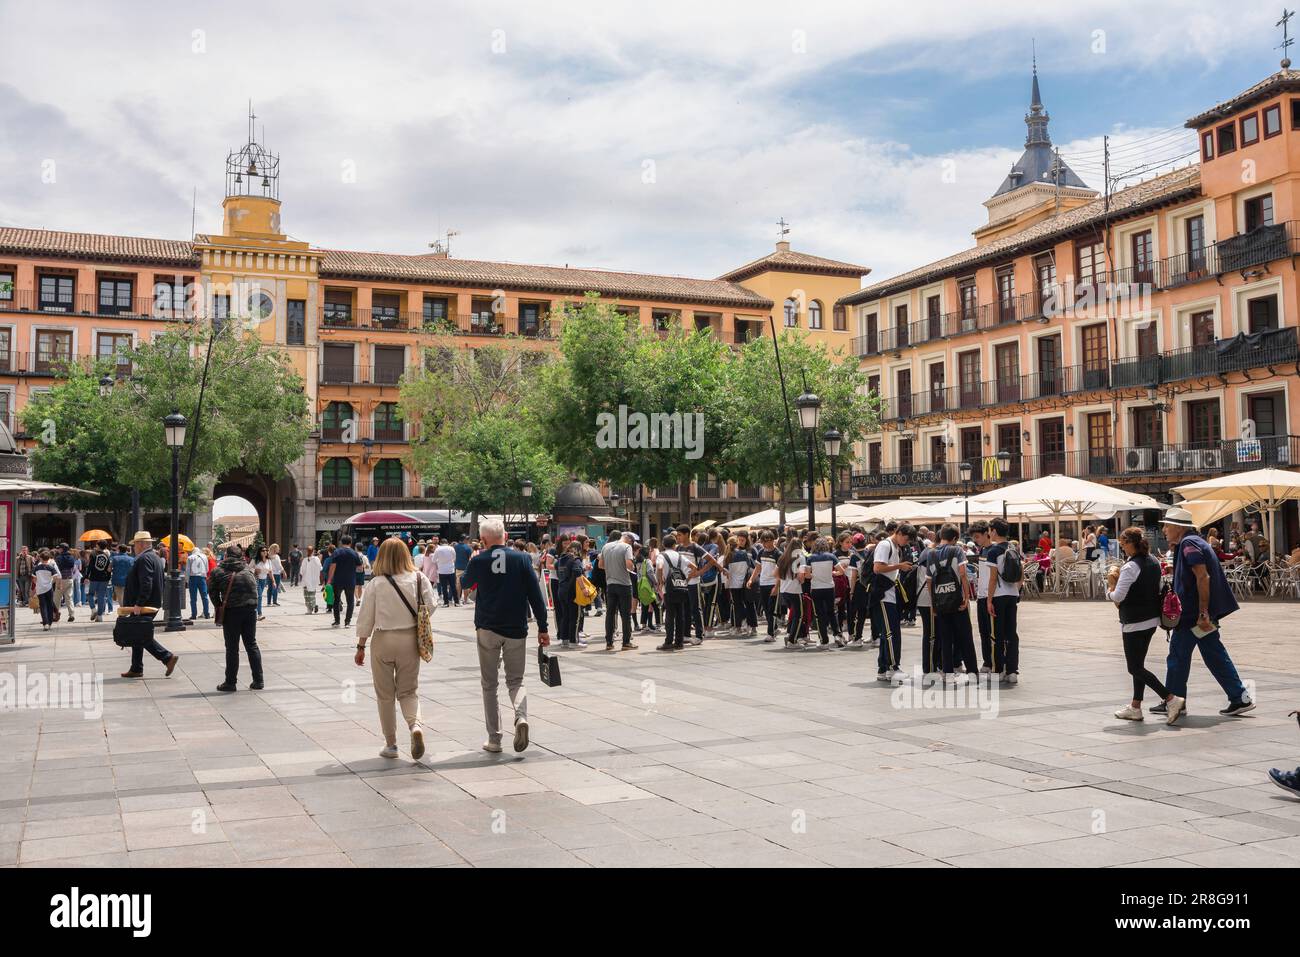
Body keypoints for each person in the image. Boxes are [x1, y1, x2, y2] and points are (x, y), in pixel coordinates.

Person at [460, 519, 548, 753]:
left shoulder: (479, 559)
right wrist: (543, 627)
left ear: (484, 539)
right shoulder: (522, 559)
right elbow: (535, 595)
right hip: (516, 627)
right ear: (505, 535)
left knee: (489, 684)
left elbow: (464, 583)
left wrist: (474, 561)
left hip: (488, 627)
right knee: (516, 681)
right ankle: (521, 718)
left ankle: (495, 738)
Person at [1158, 508, 1253, 718]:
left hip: (1194, 615)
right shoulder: (1194, 542)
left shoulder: (1189, 544)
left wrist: (1202, 612)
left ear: (1179, 527)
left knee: (1178, 656)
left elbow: (1203, 577)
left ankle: (1175, 701)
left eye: (1167, 525)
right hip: (1200, 614)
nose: (1164, 530)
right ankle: (1239, 697)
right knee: (1214, 654)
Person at [355, 538, 435, 759]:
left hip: (383, 639)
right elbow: (431, 606)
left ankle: (391, 745)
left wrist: (361, 646)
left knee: (385, 695)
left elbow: (365, 618)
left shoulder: (376, 584)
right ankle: (415, 726)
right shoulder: (419, 578)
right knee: (409, 691)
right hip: (410, 639)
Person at [1105, 527, 1185, 723]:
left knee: (1134, 667)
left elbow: (1118, 596)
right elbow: (1157, 589)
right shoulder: (1154, 561)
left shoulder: (1130, 567)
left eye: (1123, 544)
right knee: (1138, 665)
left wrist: (1109, 589)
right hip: (1151, 620)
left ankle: (1171, 699)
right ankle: (1135, 707)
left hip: (1133, 621)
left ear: (1132, 543)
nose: (1122, 547)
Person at [119, 531, 179, 679]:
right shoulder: (155, 557)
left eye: (135, 545)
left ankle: (167, 657)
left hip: (144, 604)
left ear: (141, 544)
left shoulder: (145, 558)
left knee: (139, 633)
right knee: (137, 632)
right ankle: (136, 667)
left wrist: (139, 603)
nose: (133, 548)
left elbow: (147, 583)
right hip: (149, 602)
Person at [927, 524, 979, 683]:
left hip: (941, 603)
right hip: (957, 601)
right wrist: (966, 597)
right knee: (965, 637)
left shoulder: (931, 553)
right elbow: (963, 574)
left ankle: (948, 673)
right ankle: (972, 673)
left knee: (945, 638)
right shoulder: (956, 550)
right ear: (955, 538)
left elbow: (929, 581)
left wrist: (933, 603)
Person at [209, 545, 263, 693]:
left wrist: (219, 606)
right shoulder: (248, 570)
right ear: (241, 556)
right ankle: (258, 680)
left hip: (232, 612)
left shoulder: (218, 571)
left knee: (232, 648)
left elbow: (212, 592)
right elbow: (255, 589)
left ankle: (230, 682)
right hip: (250, 610)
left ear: (226, 555)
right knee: (251, 645)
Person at [872, 523, 913, 681]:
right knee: (891, 632)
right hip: (883, 595)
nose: (906, 543)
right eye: (906, 539)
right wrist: (899, 566)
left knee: (888, 632)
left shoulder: (895, 547)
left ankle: (883, 669)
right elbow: (877, 568)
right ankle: (891, 667)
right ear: (900, 533)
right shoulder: (885, 544)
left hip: (889, 594)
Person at [985, 518, 1023, 685]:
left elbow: (993, 578)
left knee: (997, 635)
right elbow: (1021, 575)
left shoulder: (993, 551)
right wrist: (1017, 590)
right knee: (1011, 633)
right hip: (1012, 594)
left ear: (993, 531)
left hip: (999, 595)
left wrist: (989, 599)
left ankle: (998, 669)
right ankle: (1012, 670)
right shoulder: (1013, 548)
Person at [656, 533, 703, 650]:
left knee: (670, 615)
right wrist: (687, 579)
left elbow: (660, 567)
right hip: (681, 587)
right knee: (680, 615)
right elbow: (694, 567)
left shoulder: (661, 555)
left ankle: (668, 641)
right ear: (674, 545)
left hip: (669, 589)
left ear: (663, 545)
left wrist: (660, 582)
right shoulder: (679, 556)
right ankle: (679, 642)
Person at [598, 531, 637, 651]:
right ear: (626, 538)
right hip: (624, 584)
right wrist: (632, 567)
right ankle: (626, 642)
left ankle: (609, 642)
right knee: (625, 614)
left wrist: (611, 567)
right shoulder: (626, 547)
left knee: (610, 614)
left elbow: (600, 565)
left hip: (610, 584)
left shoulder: (606, 546)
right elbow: (629, 565)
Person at [806, 537, 842, 648]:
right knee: (832, 612)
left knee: (819, 615)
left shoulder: (810, 558)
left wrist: (815, 575)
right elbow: (841, 571)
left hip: (816, 588)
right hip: (829, 587)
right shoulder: (831, 556)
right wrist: (833, 573)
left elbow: (807, 575)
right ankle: (837, 635)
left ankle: (824, 640)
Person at [327, 535, 362, 627]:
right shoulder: (354, 553)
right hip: (350, 580)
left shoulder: (337, 552)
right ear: (350, 543)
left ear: (341, 542)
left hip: (338, 580)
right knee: (350, 601)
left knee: (336, 600)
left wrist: (329, 580)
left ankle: (337, 621)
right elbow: (360, 568)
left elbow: (332, 566)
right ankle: (347, 622)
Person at [85, 541, 114, 622]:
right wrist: (108, 578)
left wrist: (86, 576)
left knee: (90, 594)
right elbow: (109, 569)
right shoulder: (107, 556)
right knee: (101, 596)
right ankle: (100, 616)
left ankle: (93, 609)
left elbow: (90, 566)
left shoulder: (93, 554)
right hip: (104, 578)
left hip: (94, 578)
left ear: (97, 545)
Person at [32, 549, 60, 630]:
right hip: (49, 588)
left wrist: (37, 583)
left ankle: (45, 623)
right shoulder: (51, 567)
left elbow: (33, 578)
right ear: (49, 559)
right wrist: (51, 582)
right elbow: (55, 577)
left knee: (42, 606)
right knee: (50, 605)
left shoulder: (36, 568)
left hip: (40, 589)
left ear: (40, 558)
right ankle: (50, 622)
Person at [186, 544, 211, 619]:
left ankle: (194, 615)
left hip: (193, 578)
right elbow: (207, 569)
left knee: (193, 598)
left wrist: (187, 580)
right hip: (202, 578)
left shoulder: (190, 557)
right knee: (204, 597)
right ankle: (206, 614)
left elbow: (187, 570)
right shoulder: (204, 557)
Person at [53, 543, 76, 622]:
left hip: (60, 580)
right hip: (69, 579)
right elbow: (73, 568)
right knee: (69, 598)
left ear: (62, 549)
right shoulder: (72, 557)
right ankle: (71, 614)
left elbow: (57, 569)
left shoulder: (59, 557)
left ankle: (55, 615)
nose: (58, 549)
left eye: (59, 548)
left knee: (57, 598)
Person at [432, 537, 457, 606]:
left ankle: (446, 603)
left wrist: (439, 561)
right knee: (453, 586)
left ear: (440, 543)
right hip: (451, 570)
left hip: (442, 570)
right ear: (447, 542)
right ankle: (456, 602)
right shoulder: (451, 548)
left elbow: (433, 560)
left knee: (444, 587)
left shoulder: (438, 549)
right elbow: (454, 558)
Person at [301, 545, 322, 614]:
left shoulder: (305, 560)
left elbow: (302, 571)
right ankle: (314, 604)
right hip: (314, 580)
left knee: (306, 595)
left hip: (306, 580)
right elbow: (320, 568)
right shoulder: (316, 559)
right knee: (312, 594)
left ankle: (309, 610)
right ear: (313, 551)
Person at [454, 534, 473, 603]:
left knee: (458, 584)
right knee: (466, 584)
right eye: (467, 539)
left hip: (457, 567)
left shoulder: (455, 547)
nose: (468, 541)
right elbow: (470, 557)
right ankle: (465, 599)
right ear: (465, 540)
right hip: (466, 567)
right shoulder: (467, 547)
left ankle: (458, 599)